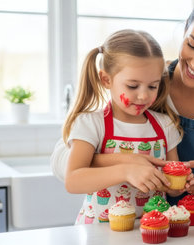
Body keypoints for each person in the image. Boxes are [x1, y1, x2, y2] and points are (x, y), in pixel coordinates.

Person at [51, 0, 194, 209]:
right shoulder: (141, 85)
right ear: (186, 28)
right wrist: (127, 163)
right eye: (192, 45)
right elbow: (62, 162)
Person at [62, 29, 184, 224]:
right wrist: (126, 170)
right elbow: (73, 180)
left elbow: (173, 185)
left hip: (151, 231)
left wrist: (181, 183)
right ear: (106, 80)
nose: (144, 96)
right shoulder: (92, 124)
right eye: (133, 86)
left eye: (153, 86)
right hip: (98, 232)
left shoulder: (165, 125)